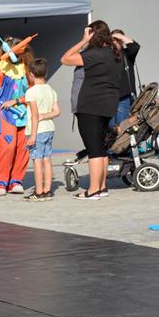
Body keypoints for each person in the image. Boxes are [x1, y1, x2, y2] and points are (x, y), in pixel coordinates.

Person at [61, 21, 122, 200]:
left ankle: (93, 190)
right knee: (101, 149)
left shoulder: (93, 54)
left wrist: (83, 41)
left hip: (90, 106)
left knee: (93, 149)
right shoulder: (115, 54)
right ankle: (102, 187)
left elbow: (65, 59)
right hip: (108, 106)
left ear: (92, 35)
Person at [0, 35, 35, 195]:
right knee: (7, 146)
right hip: (6, 113)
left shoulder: (28, 67)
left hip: (25, 111)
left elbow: (32, 90)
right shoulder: (0, 68)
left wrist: (20, 100)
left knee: (23, 147)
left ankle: (16, 180)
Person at [23, 58, 60, 201]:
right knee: (47, 159)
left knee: (37, 161)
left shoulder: (31, 92)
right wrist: (46, 115)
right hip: (49, 128)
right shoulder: (50, 90)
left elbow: (34, 115)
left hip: (36, 131)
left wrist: (32, 135)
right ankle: (47, 190)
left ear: (31, 74)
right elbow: (57, 111)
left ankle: (38, 192)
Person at [110, 29, 140, 127]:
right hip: (108, 98)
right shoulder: (106, 55)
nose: (116, 41)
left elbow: (135, 46)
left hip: (123, 97)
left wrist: (121, 36)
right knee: (110, 130)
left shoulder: (127, 54)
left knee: (123, 128)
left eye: (118, 39)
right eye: (114, 39)